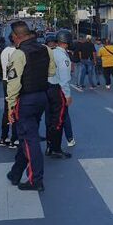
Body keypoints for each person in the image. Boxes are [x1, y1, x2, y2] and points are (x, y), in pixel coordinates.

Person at [6, 21, 55, 191]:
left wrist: (11, 107)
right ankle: (16, 172)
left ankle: (36, 179)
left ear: (16, 36)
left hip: (25, 100)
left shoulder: (18, 54)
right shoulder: (45, 49)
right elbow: (52, 72)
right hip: (42, 97)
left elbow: (13, 84)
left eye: (12, 36)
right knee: (26, 136)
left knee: (29, 139)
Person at [46, 29, 74, 157]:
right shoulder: (63, 56)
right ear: (66, 41)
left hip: (47, 89)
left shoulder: (51, 52)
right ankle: (56, 148)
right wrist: (67, 95)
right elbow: (64, 79)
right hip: (58, 91)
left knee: (50, 120)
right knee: (59, 120)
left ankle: (49, 146)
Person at [0, 35, 19, 147]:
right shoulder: (18, 52)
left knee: (7, 109)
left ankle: (4, 137)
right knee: (16, 109)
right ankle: (14, 138)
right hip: (14, 82)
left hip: (5, 81)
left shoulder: (4, 51)